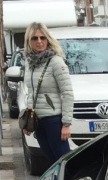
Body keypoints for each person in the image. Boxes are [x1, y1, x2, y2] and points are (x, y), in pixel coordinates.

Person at [21, 23, 75, 164]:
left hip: (54, 120)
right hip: (39, 121)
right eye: (35, 38)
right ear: (29, 41)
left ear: (48, 39)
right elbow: (32, 92)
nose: (39, 42)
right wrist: (29, 120)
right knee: (52, 162)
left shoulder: (56, 62)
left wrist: (66, 123)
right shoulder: (30, 62)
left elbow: (67, 93)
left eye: (42, 38)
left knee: (64, 162)